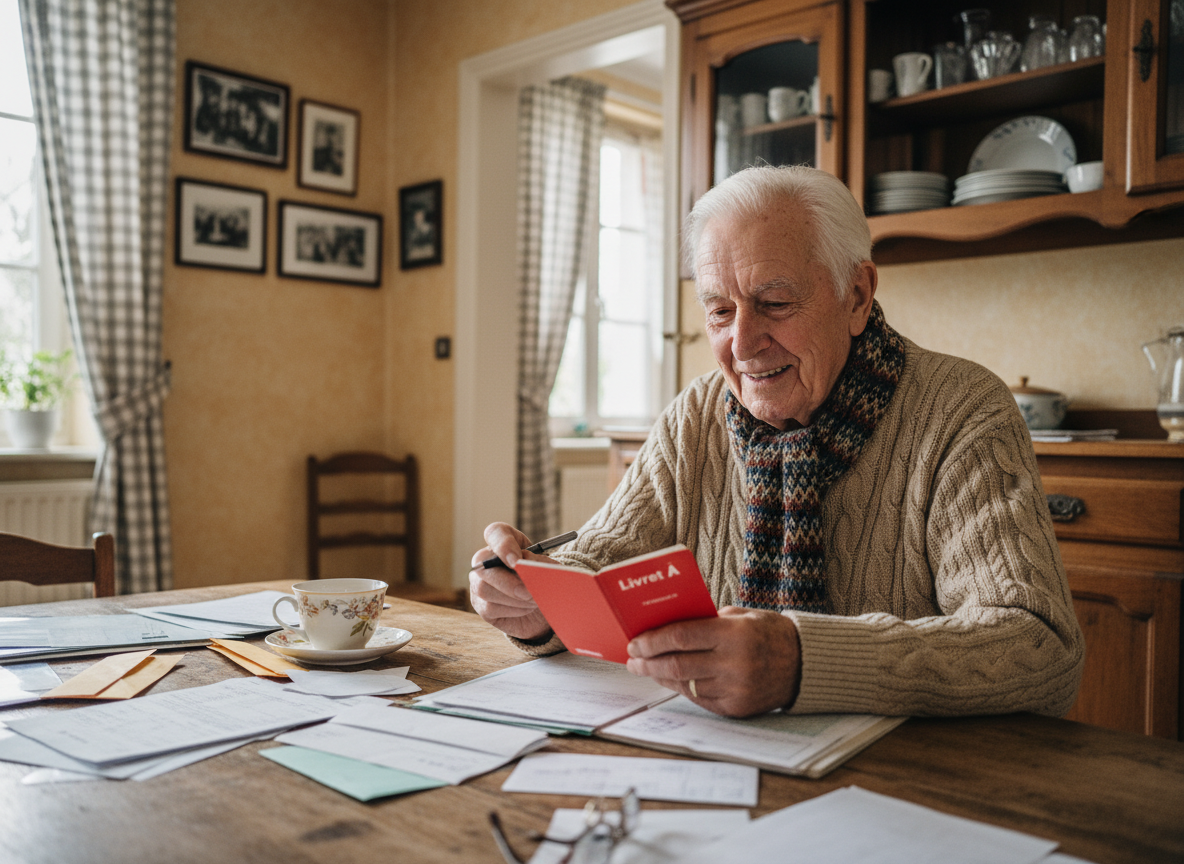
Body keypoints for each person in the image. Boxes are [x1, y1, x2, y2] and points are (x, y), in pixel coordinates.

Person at [470, 165, 1084, 720]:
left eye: (775, 303)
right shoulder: (697, 415)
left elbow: (1037, 645)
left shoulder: (960, 409)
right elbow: (599, 562)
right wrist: (536, 595)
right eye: (718, 311)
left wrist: (802, 660)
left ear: (857, 295)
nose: (742, 342)